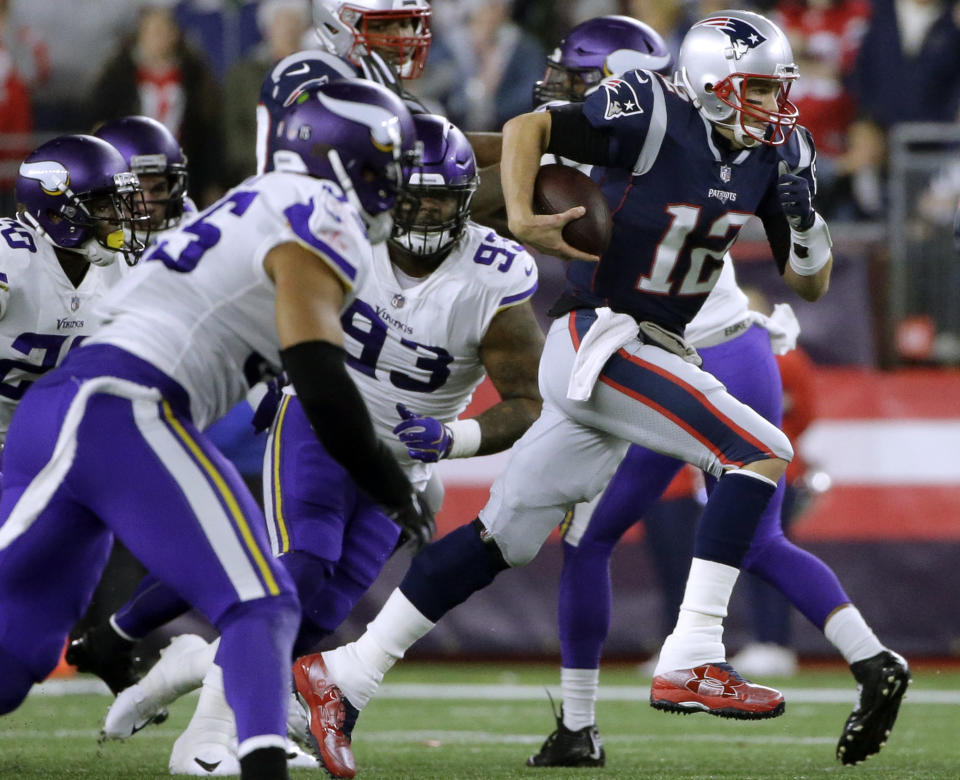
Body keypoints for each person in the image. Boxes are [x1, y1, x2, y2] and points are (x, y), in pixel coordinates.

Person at [287, 8, 887, 774]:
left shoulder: (776, 151)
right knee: (758, 451)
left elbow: (810, 279)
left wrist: (806, 218)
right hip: (601, 335)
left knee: (505, 534)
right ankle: (695, 651)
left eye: (779, 90)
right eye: (759, 89)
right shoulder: (651, 111)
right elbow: (529, 127)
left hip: (650, 347)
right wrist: (530, 219)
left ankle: (343, 676)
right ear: (709, 85)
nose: (775, 106)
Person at [86, 111, 544, 777]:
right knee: (297, 567)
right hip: (320, 421)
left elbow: (527, 400)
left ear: (466, 202)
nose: (421, 212)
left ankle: (193, 661)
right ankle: (209, 735)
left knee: (319, 613)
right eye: (411, 195)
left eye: (440, 198)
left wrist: (456, 436)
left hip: (405, 460)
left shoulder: (494, 275)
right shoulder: (343, 232)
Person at [0, 79, 433, 780]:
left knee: (14, 658)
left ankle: (123, 650)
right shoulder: (319, 215)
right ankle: (244, 758)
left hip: (69, 412)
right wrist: (388, 481)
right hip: (124, 407)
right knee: (263, 598)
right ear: (344, 162)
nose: (393, 188)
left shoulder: (258, 200)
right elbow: (318, 372)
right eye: (384, 168)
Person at [0, 134, 147, 445]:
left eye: (119, 204)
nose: (118, 219)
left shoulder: (125, 268)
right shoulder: (10, 259)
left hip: (66, 443)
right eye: (104, 206)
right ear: (56, 214)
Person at [87, 3, 224, 207]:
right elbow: (100, 122)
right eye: (154, 31)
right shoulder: (117, 75)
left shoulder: (195, 76)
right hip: (128, 173)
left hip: (183, 173)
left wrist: (212, 183)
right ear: (140, 35)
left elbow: (208, 131)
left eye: (166, 30)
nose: (161, 37)